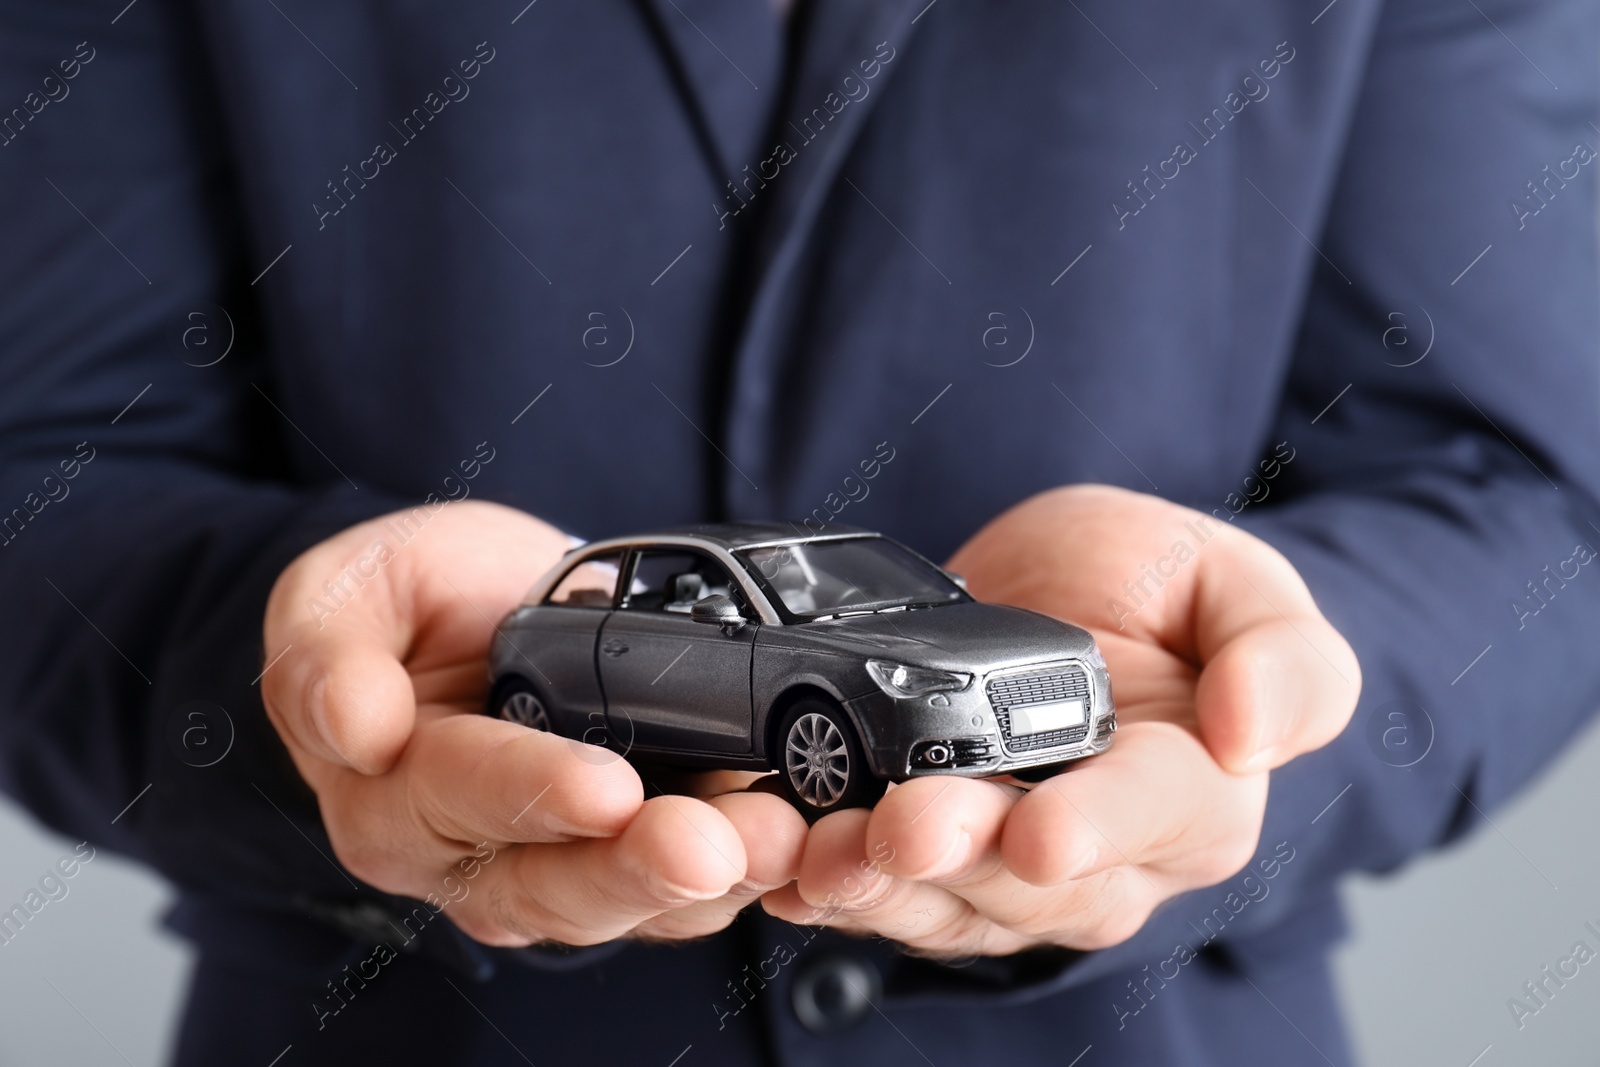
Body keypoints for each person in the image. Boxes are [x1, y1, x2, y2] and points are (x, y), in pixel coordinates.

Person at [1, 0, 1596, 1063]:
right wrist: (305, 686)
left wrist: (1274, 708)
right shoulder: (586, 645)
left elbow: (1528, 489)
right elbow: (44, 473)